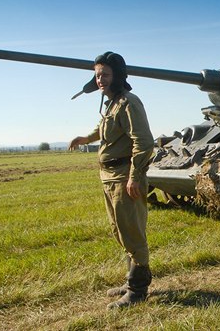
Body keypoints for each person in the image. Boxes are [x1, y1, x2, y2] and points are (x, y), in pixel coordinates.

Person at [68, 51, 155, 309]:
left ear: (117, 75)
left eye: (105, 74)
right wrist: (85, 138)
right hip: (109, 177)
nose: (100, 80)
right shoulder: (113, 104)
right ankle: (132, 280)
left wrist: (135, 176)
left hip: (123, 177)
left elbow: (144, 142)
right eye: (97, 75)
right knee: (120, 231)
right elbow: (105, 128)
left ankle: (138, 290)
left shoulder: (129, 102)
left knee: (132, 232)